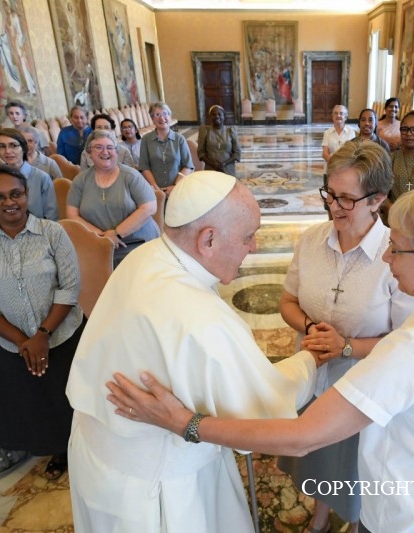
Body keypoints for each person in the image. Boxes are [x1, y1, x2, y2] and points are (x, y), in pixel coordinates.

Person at [106, 179, 414, 533]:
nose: (386, 259)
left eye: (398, 249)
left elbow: (303, 437)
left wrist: (184, 423)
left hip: (412, 518)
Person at [65, 170, 318, 532]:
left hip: (97, 459)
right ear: (208, 239)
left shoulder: (146, 256)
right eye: (248, 237)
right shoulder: (200, 320)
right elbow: (263, 407)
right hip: (160, 487)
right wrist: (311, 359)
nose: (255, 247)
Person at [278, 142, 414, 533]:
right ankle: (322, 516)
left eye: (346, 199)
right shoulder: (311, 241)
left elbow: (407, 339)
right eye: (329, 194)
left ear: (377, 200)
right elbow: (287, 301)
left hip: (365, 387)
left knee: (356, 467)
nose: (333, 207)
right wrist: (310, 330)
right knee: (321, 456)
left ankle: (357, 524)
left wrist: (346, 347)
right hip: (313, 375)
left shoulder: (397, 254)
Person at [0, 164, 84, 481]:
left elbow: (69, 288)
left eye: (15, 193)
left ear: (27, 194)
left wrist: (43, 334)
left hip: (62, 335)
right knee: (34, 401)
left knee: (70, 395)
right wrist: (23, 341)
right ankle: (55, 445)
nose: (9, 202)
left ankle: (82, 444)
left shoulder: (53, 233)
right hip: (10, 342)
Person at [66, 130, 159, 266]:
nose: (105, 152)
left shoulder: (131, 176)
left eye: (110, 147)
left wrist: (116, 234)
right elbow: (72, 215)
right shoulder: (80, 180)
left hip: (138, 245)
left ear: (117, 152)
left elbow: (149, 208)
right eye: (99, 147)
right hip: (99, 247)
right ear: (89, 153)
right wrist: (102, 237)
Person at [0, 128, 58, 220]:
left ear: (23, 148)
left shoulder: (41, 178)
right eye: (2, 146)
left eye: (14, 145)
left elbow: (52, 216)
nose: (7, 151)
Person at [139, 102, 193, 196]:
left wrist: (176, 186)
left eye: (165, 114)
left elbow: (188, 166)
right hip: (154, 191)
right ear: (152, 119)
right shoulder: (146, 139)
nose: (162, 118)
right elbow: (144, 167)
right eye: (157, 115)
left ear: (170, 116)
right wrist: (156, 188)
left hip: (178, 189)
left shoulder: (179, 139)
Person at [197, 105, 241, 176]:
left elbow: (237, 153)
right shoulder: (205, 131)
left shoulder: (230, 131)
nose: (217, 116)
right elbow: (201, 153)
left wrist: (224, 164)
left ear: (224, 117)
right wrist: (213, 165)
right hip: (210, 169)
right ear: (210, 117)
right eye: (214, 114)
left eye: (219, 114)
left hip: (228, 168)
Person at [322, 105, 355, 174]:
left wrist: (343, 166)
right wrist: (335, 165)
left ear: (345, 117)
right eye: (336, 113)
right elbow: (325, 154)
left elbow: (353, 152)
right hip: (331, 168)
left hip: (346, 169)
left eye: (341, 113)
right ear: (332, 116)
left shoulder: (351, 132)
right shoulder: (327, 133)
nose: (338, 115)